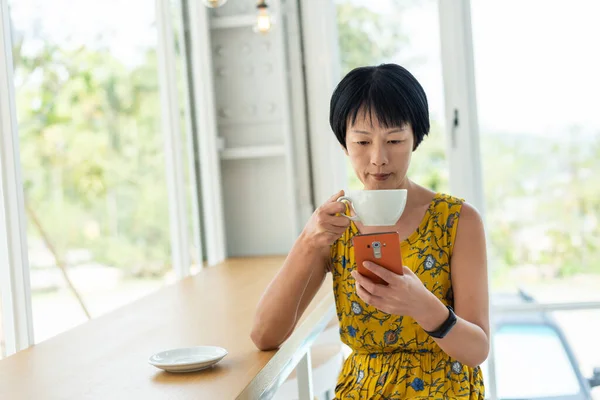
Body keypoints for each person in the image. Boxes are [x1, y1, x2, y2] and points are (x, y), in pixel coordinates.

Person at [250, 63, 489, 399]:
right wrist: (307, 242)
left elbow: (477, 350)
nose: (378, 158)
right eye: (362, 141)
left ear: (415, 139)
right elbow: (264, 335)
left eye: (394, 140)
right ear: (344, 143)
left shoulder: (458, 220)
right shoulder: (334, 226)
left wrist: (423, 307)